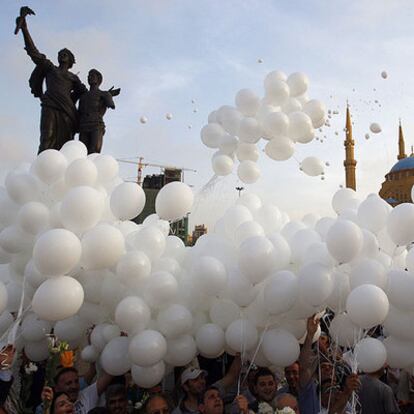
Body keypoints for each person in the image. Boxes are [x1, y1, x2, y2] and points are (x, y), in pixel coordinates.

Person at [15, 7, 87, 153]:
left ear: (71, 60)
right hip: (50, 105)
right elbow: (33, 52)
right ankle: (42, 167)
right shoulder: (49, 68)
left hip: (67, 111)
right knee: (46, 138)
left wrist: (104, 96)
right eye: (60, 53)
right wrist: (25, 29)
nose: (62, 55)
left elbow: (85, 94)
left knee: (66, 143)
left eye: (65, 54)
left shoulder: (74, 78)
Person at [78, 69, 120, 154]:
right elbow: (79, 112)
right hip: (83, 126)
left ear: (98, 79)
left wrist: (108, 95)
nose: (90, 77)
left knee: (94, 151)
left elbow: (111, 105)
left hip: (96, 125)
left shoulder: (104, 94)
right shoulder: (83, 96)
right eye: (88, 76)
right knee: (82, 152)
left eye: (92, 76)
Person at [40, 366, 113, 414]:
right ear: (57, 388)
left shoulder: (86, 395)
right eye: (68, 383)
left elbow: (111, 372)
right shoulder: (46, 406)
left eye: (76, 381)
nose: (74, 386)